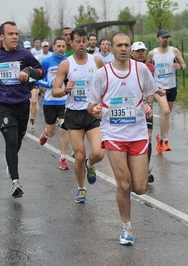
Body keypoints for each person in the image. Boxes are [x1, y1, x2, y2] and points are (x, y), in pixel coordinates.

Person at [88, 32, 157, 245]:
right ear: (112, 48)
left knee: (140, 188)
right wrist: (96, 110)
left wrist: (147, 105)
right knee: (124, 184)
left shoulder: (141, 69)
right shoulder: (102, 74)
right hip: (114, 135)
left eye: (127, 44)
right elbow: (91, 105)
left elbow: (150, 94)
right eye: (120, 45)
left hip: (137, 135)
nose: (124, 48)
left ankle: (127, 222)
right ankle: (126, 228)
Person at [0, 21, 43, 198]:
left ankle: (11, 163)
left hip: (22, 103)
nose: (15, 37)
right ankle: (15, 183)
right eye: (11, 34)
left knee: (17, 141)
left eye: (16, 34)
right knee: (10, 139)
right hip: (2, 104)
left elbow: (40, 70)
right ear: (2, 36)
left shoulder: (25, 54)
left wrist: (28, 71)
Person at [52, 27, 105, 203]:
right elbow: (55, 91)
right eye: (78, 41)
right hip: (74, 115)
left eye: (84, 41)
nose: (81, 44)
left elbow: (107, 83)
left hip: (91, 113)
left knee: (98, 153)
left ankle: (90, 166)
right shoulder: (66, 64)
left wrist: (104, 104)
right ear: (71, 43)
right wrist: (65, 89)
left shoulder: (96, 61)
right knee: (79, 155)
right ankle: (81, 188)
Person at [130, 41, 168, 183]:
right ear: (131, 53)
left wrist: (151, 100)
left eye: (143, 51)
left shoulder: (149, 66)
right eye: (138, 51)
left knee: (148, 135)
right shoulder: (127, 66)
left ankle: (144, 168)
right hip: (130, 106)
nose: (141, 53)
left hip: (145, 105)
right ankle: (132, 165)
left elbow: (150, 84)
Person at [148, 29, 186, 154]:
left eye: (167, 38)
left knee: (167, 114)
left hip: (172, 86)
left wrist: (179, 66)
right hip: (158, 87)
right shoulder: (152, 54)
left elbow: (184, 65)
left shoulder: (174, 51)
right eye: (163, 37)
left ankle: (160, 137)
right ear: (157, 39)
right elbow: (147, 69)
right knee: (165, 110)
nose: (165, 40)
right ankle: (165, 140)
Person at [36, 37, 70, 170]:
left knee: (64, 129)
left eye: (63, 46)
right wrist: (50, 84)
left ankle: (63, 159)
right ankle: (45, 134)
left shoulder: (69, 62)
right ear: (53, 47)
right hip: (50, 101)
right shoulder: (46, 62)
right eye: (58, 46)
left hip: (65, 101)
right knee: (51, 132)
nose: (61, 48)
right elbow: (38, 81)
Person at [23, 40, 39, 129]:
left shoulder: (35, 58)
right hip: (24, 83)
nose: (27, 50)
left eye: (28, 48)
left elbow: (39, 70)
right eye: (26, 48)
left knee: (33, 101)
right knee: (24, 103)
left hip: (33, 82)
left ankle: (32, 120)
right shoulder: (20, 58)